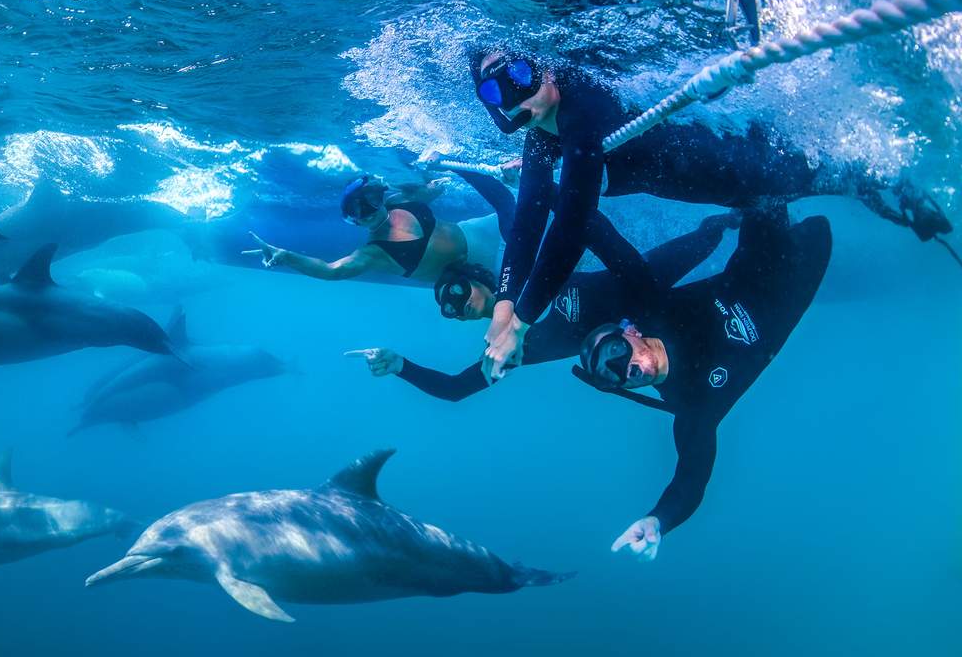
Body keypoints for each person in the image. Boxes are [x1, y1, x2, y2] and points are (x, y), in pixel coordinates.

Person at [354, 205, 832, 560]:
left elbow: (574, 223)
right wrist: (658, 520)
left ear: (631, 335)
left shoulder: (642, 308)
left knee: (757, 194)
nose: (628, 370)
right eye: (614, 377)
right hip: (796, 273)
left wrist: (557, 170)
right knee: (800, 222)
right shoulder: (691, 404)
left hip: (688, 279)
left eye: (620, 358)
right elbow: (691, 477)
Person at [471, 48, 952, 378]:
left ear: (538, 65)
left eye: (519, 74)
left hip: (734, 168)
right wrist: (505, 302)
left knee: (824, 177)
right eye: (498, 92)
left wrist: (524, 320)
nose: (518, 92)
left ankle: (893, 186)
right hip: (717, 189)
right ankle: (881, 191)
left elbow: (573, 224)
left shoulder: (580, 108)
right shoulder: (542, 137)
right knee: (803, 188)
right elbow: (530, 218)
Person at [349, 210, 737, 399]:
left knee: (709, 237)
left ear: (479, 278)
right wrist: (400, 365)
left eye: (456, 292)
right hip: (653, 332)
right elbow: (454, 389)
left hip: (638, 279)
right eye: (447, 309)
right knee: (727, 300)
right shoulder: (511, 350)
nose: (456, 306)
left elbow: (536, 220)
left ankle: (744, 214)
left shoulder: (519, 275)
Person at [243, 172, 504, 284]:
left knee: (535, 213)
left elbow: (437, 187)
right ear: (352, 220)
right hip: (481, 270)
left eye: (372, 199)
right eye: (358, 210)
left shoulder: (400, 200)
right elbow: (331, 271)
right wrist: (287, 257)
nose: (369, 210)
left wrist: (418, 180)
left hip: (479, 231)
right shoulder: (374, 253)